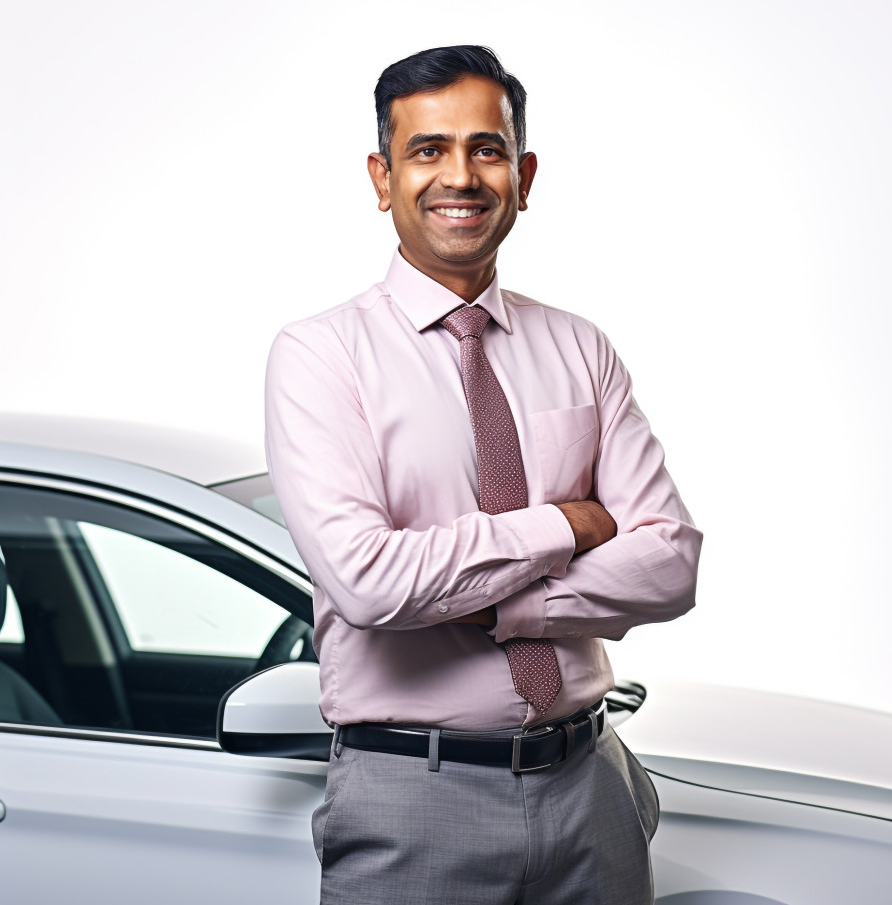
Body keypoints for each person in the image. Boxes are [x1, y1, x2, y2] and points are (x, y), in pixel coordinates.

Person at [265, 45, 702, 905]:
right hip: (413, 801)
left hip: (592, 787)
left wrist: (507, 606)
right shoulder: (321, 358)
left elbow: (670, 560)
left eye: (486, 149)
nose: (459, 175)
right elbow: (367, 581)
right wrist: (564, 527)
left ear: (524, 174)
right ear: (382, 177)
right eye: (427, 150)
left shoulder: (581, 348)